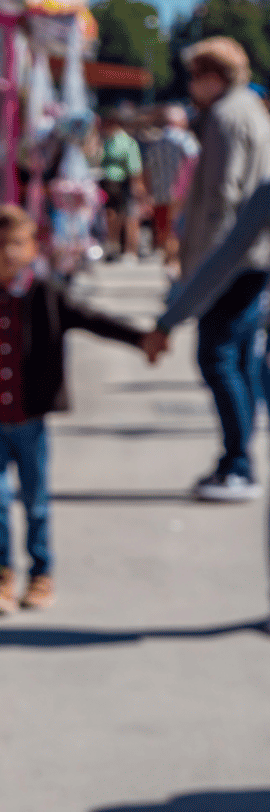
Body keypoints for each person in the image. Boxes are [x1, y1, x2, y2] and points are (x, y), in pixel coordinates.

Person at [0, 205, 155, 614]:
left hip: (31, 420)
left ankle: (41, 575)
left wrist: (141, 338)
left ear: (32, 248)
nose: (8, 252)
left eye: (17, 244)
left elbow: (93, 320)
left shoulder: (47, 296)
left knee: (36, 501)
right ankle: (1, 578)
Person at [170, 36, 270, 501]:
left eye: (195, 77)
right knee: (240, 356)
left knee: (217, 357)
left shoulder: (225, 117)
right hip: (253, 258)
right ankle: (240, 455)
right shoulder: (251, 110)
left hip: (232, 260)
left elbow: (222, 202)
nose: (191, 87)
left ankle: (238, 460)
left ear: (213, 77)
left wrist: (201, 275)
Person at [142, 104, 199, 270]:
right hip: (181, 193)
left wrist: (148, 191)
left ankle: (168, 259)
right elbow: (195, 164)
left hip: (159, 192)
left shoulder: (156, 141)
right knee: (177, 228)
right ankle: (174, 261)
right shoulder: (186, 141)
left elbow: (147, 169)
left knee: (164, 228)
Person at [99, 109, 144, 261]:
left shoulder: (127, 142)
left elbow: (134, 168)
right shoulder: (107, 140)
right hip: (109, 184)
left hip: (122, 184)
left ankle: (129, 250)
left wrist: (136, 186)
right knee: (112, 215)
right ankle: (114, 245)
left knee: (127, 216)